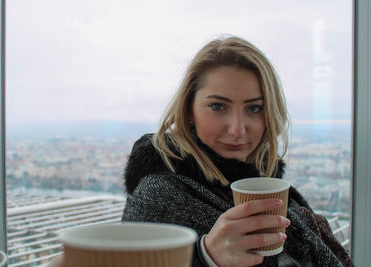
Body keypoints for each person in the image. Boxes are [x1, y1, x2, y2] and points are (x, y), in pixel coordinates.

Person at [122, 36, 353, 267]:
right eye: (218, 106)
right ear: (189, 110)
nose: (237, 130)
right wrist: (205, 257)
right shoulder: (155, 198)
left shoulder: (269, 184)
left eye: (254, 108)